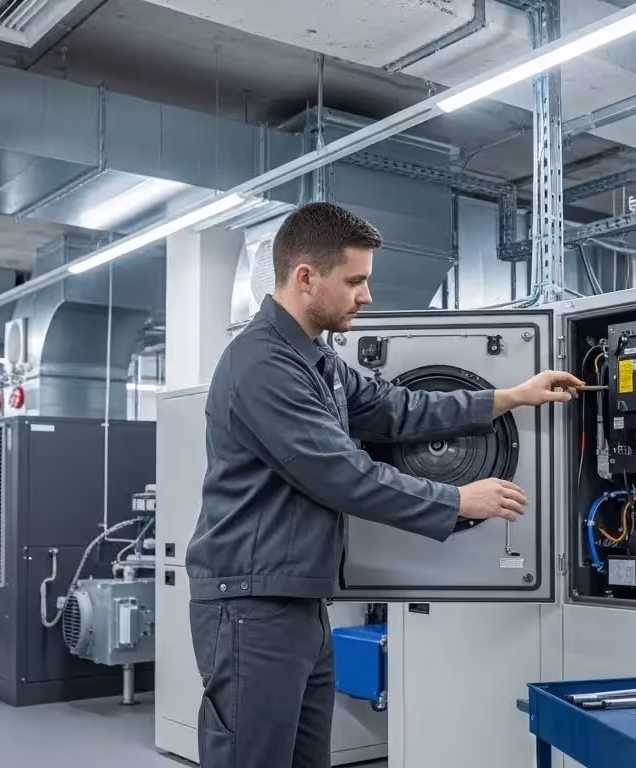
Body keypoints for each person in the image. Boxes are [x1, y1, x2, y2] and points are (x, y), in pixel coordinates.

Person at [185, 201, 582, 768]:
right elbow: (340, 474)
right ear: (305, 277)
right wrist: (457, 499)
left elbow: (394, 408)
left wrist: (507, 397)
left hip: (296, 604)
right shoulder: (262, 366)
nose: (366, 296)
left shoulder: (316, 361)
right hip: (252, 608)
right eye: (355, 281)